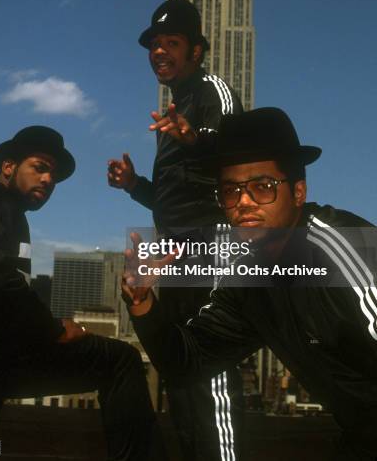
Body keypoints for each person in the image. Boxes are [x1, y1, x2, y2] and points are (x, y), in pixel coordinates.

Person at [123, 107, 377, 461]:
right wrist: (141, 302)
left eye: (262, 187)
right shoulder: (248, 279)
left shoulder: (347, 249)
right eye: (230, 191)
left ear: (298, 192)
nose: (243, 202)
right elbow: (186, 363)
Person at [0, 126, 165, 461]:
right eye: (39, 168)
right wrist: (55, 330)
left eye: (53, 175)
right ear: (9, 167)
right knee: (121, 360)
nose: (47, 180)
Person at [108, 0, 245, 461]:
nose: (160, 52)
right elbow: (176, 198)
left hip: (214, 247)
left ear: (196, 51)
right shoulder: (175, 109)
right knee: (181, 367)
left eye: (172, 43)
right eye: (154, 45)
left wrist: (195, 138)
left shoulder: (213, 91)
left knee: (211, 365)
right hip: (177, 252)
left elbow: (235, 149)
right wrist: (133, 186)